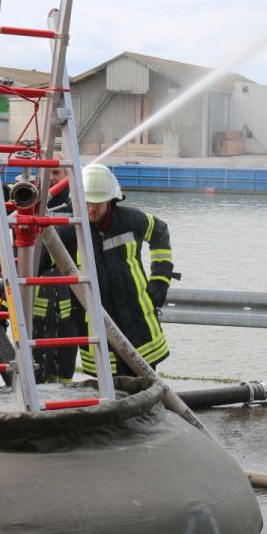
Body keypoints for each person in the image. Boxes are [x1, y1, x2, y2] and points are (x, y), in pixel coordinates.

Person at [53, 163, 176, 374]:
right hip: (97, 328)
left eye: (98, 203)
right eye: (87, 203)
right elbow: (39, 262)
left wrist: (160, 281)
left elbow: (160, 231)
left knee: (146, 385)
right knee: (106, 388)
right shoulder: (69, 231)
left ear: (110, 200)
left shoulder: (130, 220)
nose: (91, 209)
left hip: (138, 324)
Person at [32, 157, 78, 381]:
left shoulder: (77, 208)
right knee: (34, 367)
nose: (51, 178)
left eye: (56, 173)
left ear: (67, 177)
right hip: (34, 304)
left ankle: (63, 398)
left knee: (65, 366)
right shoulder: (30, 202)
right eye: (46, 173)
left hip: (70, 302)